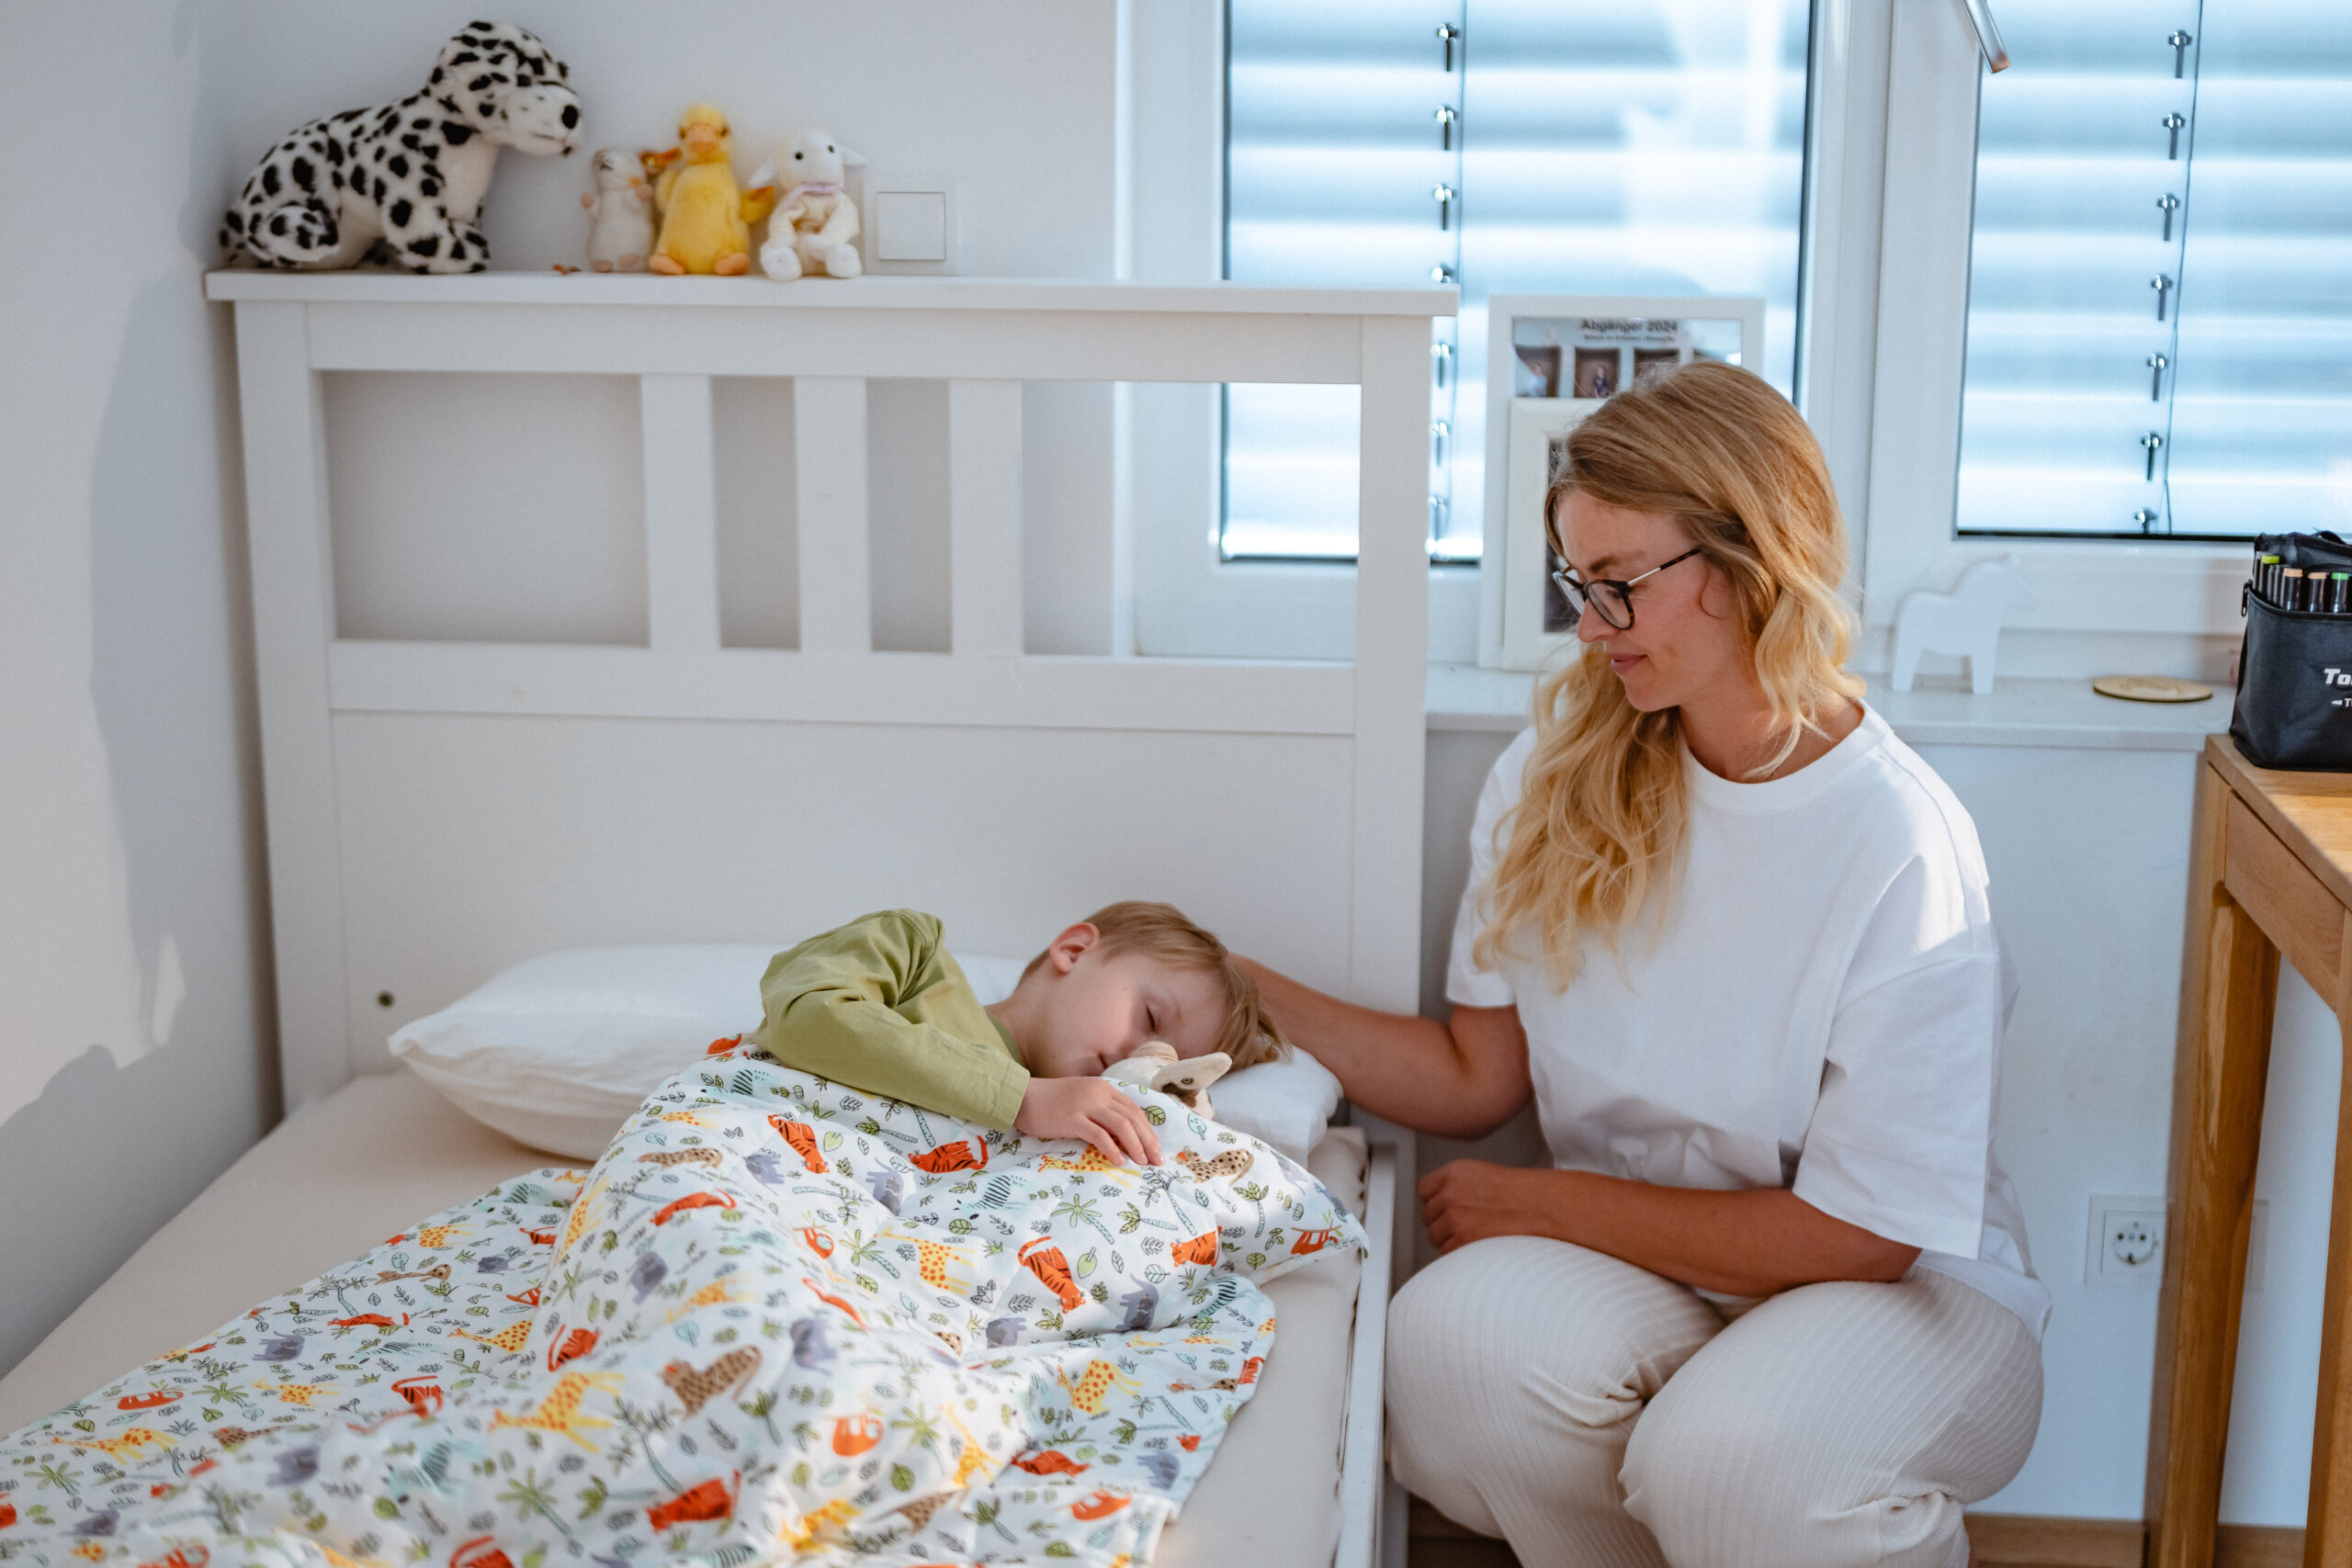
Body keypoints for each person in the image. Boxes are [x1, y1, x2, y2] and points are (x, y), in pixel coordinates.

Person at [1243, 361, 2048, 1568]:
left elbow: (1862, 1235)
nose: (1589, 626)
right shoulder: (1556, 772)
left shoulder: (1900, 840)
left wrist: (1542, 1200)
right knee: (1440, 1348)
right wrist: (1229, 982)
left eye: (1619, 586)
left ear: (1748, 567)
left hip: (1906, 1296)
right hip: (1661, 1270)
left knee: (1725, 1462)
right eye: (1579, 583)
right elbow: (1477, 1074)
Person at [755, 903, 1283, 1167]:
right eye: (1148, 1019)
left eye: (1162, 1061)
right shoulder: (914, 955)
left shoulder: (1075, 1146)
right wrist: (1021, 1098)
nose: (1136, 1056)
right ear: (1075, 951)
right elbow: (809, 1016)